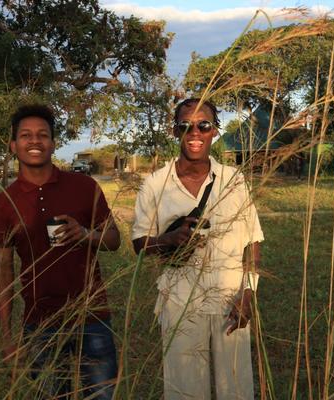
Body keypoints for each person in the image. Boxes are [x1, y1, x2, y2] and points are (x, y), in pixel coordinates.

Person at [132, 98, 264, 400]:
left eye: (203, 125)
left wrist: (247, 294)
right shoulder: (154, 184)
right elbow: (139, 243)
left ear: (215, 130)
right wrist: (168, 240)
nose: (195, 133)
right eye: (185, 126)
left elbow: (252, 240)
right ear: (174, 131)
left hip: (230, 300)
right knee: (185, 390)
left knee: (236, 388)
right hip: (179, 301)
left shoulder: (234, 180)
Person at [0, 104, 120, 399]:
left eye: (43, 134)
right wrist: (7, 337)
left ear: (53, 143)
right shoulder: (3, 204)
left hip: (92, 317)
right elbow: (3, 272)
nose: (34, 141)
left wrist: (85, 234)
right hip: (40, 324)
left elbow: (114, 240)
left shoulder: (84, 186)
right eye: (25, 135)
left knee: (100, 395)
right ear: (13, 145)